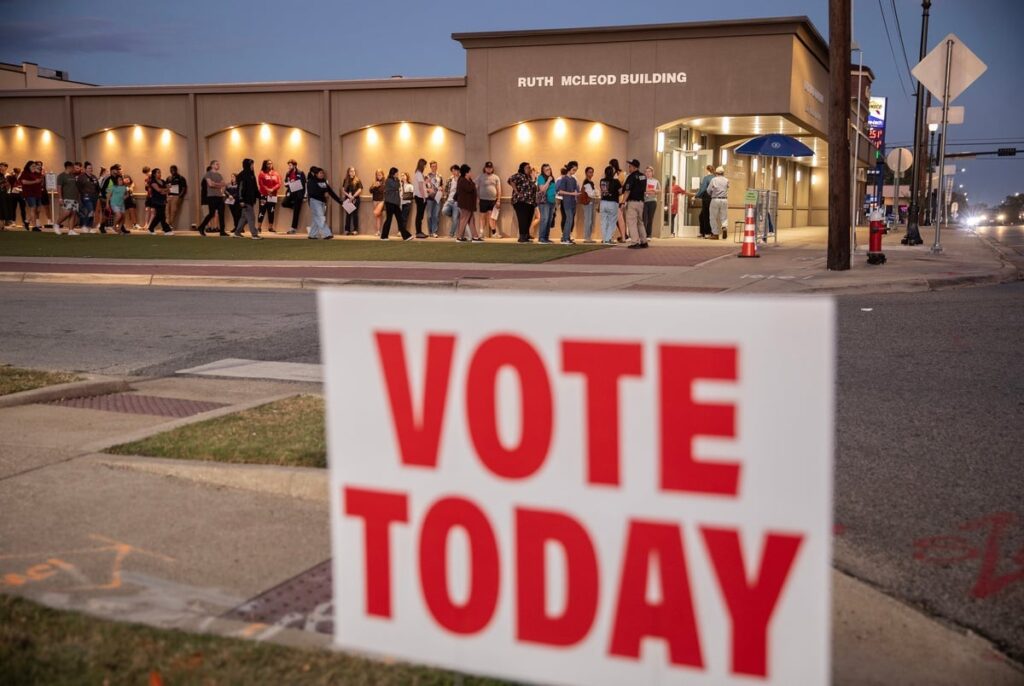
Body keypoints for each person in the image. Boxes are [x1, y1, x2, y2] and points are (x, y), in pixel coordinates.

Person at [306, 166, 343, 239]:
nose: (322, 174)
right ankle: (327, 234)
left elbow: (330, 192)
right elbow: (311, 193)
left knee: (316, 218)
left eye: (322, 173)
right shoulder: (311, 181)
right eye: (320, 173)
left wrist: (340, 201)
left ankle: (312, 235)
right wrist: (323, 193)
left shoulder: (324, 181)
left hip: (322, 202)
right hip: (314, 202)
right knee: (320, 218)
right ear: (316, 174)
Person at [620, 159, 649, 249]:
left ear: (634, 167)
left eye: (630, 166)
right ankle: (644, 241)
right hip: (641, 202)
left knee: (631, 222)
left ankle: (635, 242)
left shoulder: (631, 177)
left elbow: (627, 190)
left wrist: (623, 201)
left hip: (632, 202)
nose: (629, 167)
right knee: (640, 222)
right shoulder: (643, 176)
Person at [507, 162, 536, 243]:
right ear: (522, 168)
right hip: (521, 201)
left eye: (529, 167)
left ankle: (526, 235)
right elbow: (510, 180)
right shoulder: (519, 175)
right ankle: (522, 236)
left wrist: (534, 177)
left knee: (529, 218)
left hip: (530, 201)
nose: (529, 169)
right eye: (527, 167)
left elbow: (533, 187)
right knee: (523, 218)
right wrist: (516, 191)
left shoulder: (529, 177)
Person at [380, 167, 412, 241]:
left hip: (395, 204)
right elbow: (396, 186)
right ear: (393, 174)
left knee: (400, 220)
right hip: (390, 203)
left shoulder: (395, 180)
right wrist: (398, 181)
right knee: (389, 219)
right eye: (397, 173)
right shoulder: (389, 181)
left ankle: (406, 236)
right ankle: (384, 236)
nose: (398, 174)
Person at [197, 160, 226, 237]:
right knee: (211, 213)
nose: (218, 166)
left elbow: (223, 184)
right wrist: (218, 185)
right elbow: (210, 184)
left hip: (220, 196)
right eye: (217, 164)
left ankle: (222, 231)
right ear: (212, 165)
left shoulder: (219, 175)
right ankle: (201, 227)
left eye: (218, 164)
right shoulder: (208, 174)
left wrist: (215, 184)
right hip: (211, 196)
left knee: (222, 213)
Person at [233, 158, 260, 239]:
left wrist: (260, 196)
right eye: (251, 164)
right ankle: (254, 234)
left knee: (244, 218)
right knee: (251, 217)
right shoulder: (242, 175)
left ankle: (237, 232)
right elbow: (240, 189)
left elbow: (255, 188)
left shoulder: (252, 175)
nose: (252, 166)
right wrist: (241, 200)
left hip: (251, 200)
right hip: (245, 200)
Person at [456, 163, 483, 242]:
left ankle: (475, 236)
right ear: (466, 173)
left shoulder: (468, 180)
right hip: (465, 204)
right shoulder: (462, 180)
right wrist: (475, 185)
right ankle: (459, 237)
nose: (471, 173)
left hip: (469, 204)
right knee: (464, 220)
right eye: (470, 171)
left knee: (471, 220)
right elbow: (469, 189)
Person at [555, 161, 579, 244]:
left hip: (573, 202)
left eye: (576, 170)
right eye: (573, 169)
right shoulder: (564, 178)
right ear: (569, 169)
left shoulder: (573, 179)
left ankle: (566, 237)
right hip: (567, 201)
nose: (574, 171)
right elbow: (560, 191)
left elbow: (575, 190)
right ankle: (565, 238)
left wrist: (576, 193)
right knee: (569, 219)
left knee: (570, 220)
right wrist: (571, 193)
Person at [476, 161, 502, 238]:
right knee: (482, 216)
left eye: (490, 168)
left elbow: (499, 189)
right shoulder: (480, 177)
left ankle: (494, 233)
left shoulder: (496, 177)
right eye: (487, 168)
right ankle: (481, 232)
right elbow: (475, 187)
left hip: (493, 200)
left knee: (492, 217)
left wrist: (498, 200)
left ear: (492, 168)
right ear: (485, 168)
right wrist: (477, 198)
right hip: (483, 200)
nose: (489, 169)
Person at [55, 161, 80, 235]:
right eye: (72, 167)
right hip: (67, 198)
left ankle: (71, 230)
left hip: (75, 198)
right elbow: (59, 187)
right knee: (67, 213)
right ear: (68, 167)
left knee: (73, 214)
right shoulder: (61, 176)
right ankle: (56, 224)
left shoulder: (73, 175)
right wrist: (60, 198)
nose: (73, 169)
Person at [18, 161, 45, 231]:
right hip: (29, 193)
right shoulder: (25, 173)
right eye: (32, 166)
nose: (34, 167)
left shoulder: (37, 173)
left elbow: (40, 180)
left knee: (38, 209)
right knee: (33, 208)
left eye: (35, 166)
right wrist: (35, 182)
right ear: (28, 166)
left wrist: (39, 174)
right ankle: (34, 226)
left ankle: (27, 221)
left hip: (37, 193)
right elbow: (24, 182)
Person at [146, 168, 173, 235]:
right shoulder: (152, 182)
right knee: (162, 216)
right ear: (154, 174)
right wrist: (165, 189)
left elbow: (168, 191)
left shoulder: (163, 181)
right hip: (156, 201)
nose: (159, 174)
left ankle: (150, 229)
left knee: (158, 216)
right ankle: (167, 230)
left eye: (160, 172)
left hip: (163, 200)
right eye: (158, 172)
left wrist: (164, 190)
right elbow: (158, 190)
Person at [599, 165, 621, 245]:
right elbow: (620, 191)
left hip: (603, 202)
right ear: (613, 173)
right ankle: (608, 239)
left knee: (604, 221)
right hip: (613, 202)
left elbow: (602, 192)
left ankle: (605, 239)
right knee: (612, 221)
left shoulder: (602, 181)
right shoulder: (616, 181)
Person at [257, 159, 281, 233]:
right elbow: (261, 184)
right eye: (268, 164)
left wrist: (272, 189)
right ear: (265, 165)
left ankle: (270, 227)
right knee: (262, 211)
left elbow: (279, 183)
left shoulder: (276, 173)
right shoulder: (261, 173)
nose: (270, 165)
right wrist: (268, 190)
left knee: (271, 211)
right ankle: (259, 227)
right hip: (263, 196)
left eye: (271, 163)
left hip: (273, 196)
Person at [282, 159, 306, 234]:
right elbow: (285, 183)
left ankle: (293, 228)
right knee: (284, 203)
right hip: (290, 193)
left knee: (296, 213)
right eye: (288, 165)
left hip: (298, 194)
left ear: (294, 165)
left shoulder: (300, 173)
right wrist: (289, 183)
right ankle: (293, 206)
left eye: (290, 165)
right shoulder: (288, 173)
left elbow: (303, 184)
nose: (289, 167)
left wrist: (304, 196)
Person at [76, 161, 100, 233]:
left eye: (91, 168)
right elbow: (78, 187)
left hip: (94, 197)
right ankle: (85, 225)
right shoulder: (81, 177)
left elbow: (97, 187)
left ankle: (90, 227)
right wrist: (80, 196)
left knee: (92, 212)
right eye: (89, 168)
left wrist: (97, 194)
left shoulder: (94, 177)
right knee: (91, 210)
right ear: (85, 169)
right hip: (86, 196)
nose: (91, 169)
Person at [707, 165, 729, 240]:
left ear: (716, 173)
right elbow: (728, 187)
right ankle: (724, 227)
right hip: (724, 200)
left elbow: (708, 190)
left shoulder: (714, 180)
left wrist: (712, 194)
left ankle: (715, 234)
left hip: (715, 199)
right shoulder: (726, 180)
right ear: (723, 173)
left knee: (713, 217)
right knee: (724, 216)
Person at [535, 163, 556, 244]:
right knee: (544, 219)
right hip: (544, 201)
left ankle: (546, 238)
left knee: (549, 220)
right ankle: (541, 238)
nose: (548, 171)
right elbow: (542, 189)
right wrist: (548, 181)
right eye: (546, 170)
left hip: (552, 201)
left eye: (549, 169)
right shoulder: (541, 177)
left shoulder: (552, 178)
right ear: (543, 171)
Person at [609, 158, 627, 242]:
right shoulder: (621, 173)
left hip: (618, 198)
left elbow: (621, 186)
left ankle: (623, 236)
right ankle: (623, 235)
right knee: (618, 218)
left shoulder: (620, 174)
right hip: (618, 197)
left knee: (618, 218)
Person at [424, 160, 443, 238]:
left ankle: (434, 231)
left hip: (438, 196)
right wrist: (428, 190)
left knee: (436, 215)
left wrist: (441, 189)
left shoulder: (440, 176)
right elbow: (423, 187)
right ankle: (430, 231)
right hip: (429, 197)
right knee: (429, 215)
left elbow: (442, 186)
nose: (434, 167)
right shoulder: (427, 176)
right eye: (432, 166)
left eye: (435, 166)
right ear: (430, 167)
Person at [341, 166, 362, 235]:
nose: (353, 172)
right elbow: (343, 190)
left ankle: (355, 230)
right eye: (351, 171)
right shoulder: (345, 180)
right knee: (348, 214)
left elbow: (360, 189)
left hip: (355, 199)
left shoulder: (358, 180)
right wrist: (348, 196)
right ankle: (347, 230)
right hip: (347, 199)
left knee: (355, 214)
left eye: (354, 171)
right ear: (348, 172)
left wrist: (353, 196)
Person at [442, 164, 460, 237]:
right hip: (449, 200)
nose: (453, 172)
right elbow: (446, 189)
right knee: (444, 211)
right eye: (452, 171)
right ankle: (453, 215)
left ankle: (451, 234)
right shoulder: (449, 179)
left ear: (458, 170)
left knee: (455, 219)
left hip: (457, 201)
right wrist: (444, 196)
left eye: (455, 170)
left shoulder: (461, 179)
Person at [580, 166, 598, 243]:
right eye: (590, 172)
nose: (591, 174)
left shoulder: (590, 182)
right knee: (588, 220)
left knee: (590, 220)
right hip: (587, 203)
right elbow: (591, 194)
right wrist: (595, 193)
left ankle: (589, 237)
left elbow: (593, 193)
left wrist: (595, 193)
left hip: (591, 202)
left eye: (592, 172)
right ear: (586, 173)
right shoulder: (586, 182)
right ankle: (587, 237)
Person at [642, 165, 660, 239]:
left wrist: (656, 191)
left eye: (649, 171)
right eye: (646, 172)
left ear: (652, 172)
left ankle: (648, 235)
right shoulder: (642, 180)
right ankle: (643, 234)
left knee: (650, 218)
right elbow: (641, 190)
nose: (648, 173)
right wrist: (647, 191)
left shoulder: (656, 181)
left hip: (652, 201)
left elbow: (660, 190)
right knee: (644, 218)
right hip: (644, 201)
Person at [696, 165, 714, 238]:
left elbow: (703, 189)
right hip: (713, 198)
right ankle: (703, 232)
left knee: (705, 215)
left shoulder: (706, 178)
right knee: (703, 216)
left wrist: (697, 195)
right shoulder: (715, 177)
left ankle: (707, 233)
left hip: (706, 198)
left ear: (707, 170)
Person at [412, 158, 428, 238]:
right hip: (420, 197)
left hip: (419, 196)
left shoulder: (418, 173)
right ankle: (418, 232)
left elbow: (422, 185)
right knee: (419, 215)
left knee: (420, 215)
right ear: (422, 165)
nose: (425, 167)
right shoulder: (418, 173)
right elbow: (421, 187)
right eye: (424, 165)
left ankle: (419, 231)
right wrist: (424, 197)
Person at [369, 169, 386, 236]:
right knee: (377, 216)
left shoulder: (385, 182)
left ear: (382, 175)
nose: (378, 176)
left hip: (382, 200)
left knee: (380, 215)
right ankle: (378, 231)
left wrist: (380, 186)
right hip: (375, 200)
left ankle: (383, 231)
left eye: (380, 174)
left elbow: (385, 191)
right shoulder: (374, 182)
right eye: (377, 175)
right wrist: (374, 186)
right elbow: (370, 191)